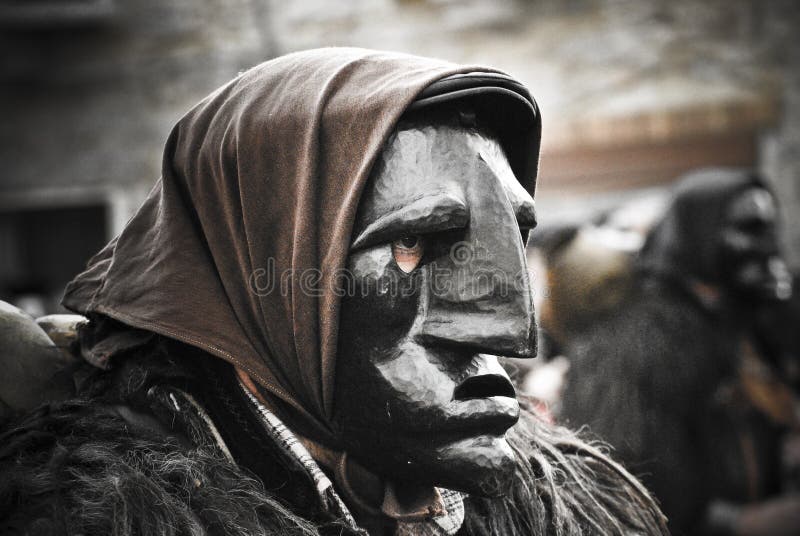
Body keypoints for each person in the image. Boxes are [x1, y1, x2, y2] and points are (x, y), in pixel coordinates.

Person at [0, 48, 666, 535]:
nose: (514, 336)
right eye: (415, 245)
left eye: (511, 240)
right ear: (259, 271)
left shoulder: (558, 508)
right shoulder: (88, 517)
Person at [557, 169, 800, 535]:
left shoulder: (740, 322)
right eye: (749, 228)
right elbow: (618, 477)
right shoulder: (641, 337)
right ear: (699, 233)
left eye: (769, 226)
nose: (767, 245)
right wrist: (738, 524)